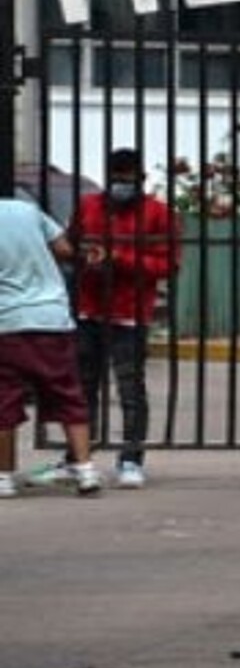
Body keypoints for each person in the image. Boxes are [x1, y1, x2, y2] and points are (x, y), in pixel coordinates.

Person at [62, 147, 177, 490]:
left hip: (130, 312)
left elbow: (167, 264)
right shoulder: (89, 206)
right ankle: (79, 458)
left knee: (130, 389)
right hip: (89, 308)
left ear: (140, 179)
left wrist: (120, 258)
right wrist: (87, 255)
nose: (120, 186)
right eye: (115, 179)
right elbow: (70, 244)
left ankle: (130, 458)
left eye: (126, 180)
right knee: (83, 386)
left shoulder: (158, 214)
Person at [0, 197, 100, 499]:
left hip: (8, 322)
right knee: (68, 394)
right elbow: (65, 250)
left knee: (4, 403)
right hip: (51, 318)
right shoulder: (27, 210)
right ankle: (85, 471)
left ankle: (3, 478)